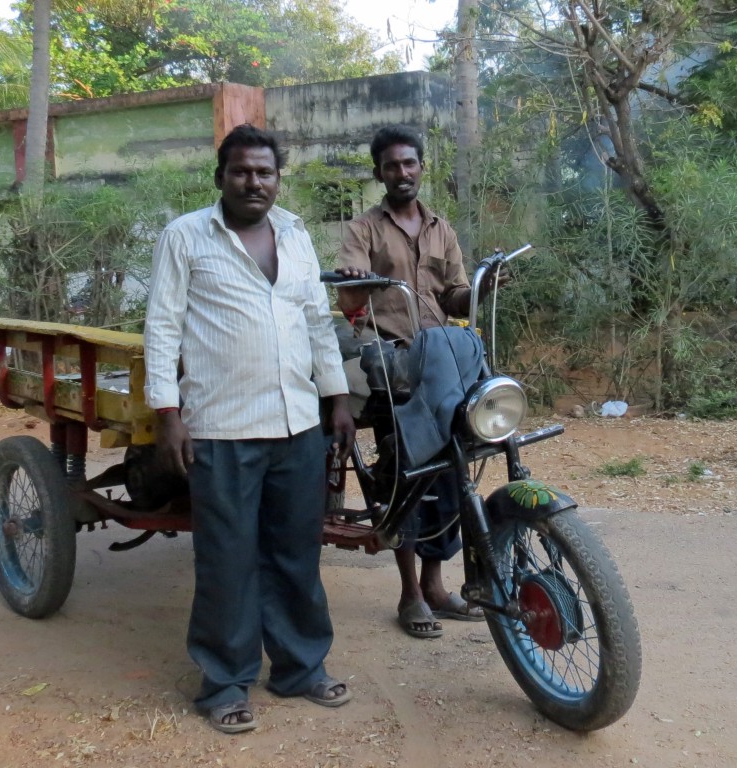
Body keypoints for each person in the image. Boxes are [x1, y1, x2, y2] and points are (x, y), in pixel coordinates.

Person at [143, 124, 356, 734]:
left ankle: (300, 668)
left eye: (264, 172)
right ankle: (225, 683)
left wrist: (337, 396)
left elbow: (317, 320)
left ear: (277, 178)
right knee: (228, 562)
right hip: (222, 426)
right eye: (241, 171)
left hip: (297, 423)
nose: (253, 182)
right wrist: (168, 415)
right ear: (221, 177)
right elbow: (162, 326)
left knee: (295, 555)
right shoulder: (187, 235)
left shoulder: (295, 234)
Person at [336, 124, 499, 639]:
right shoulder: (364, 229)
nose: (401, 172)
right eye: (391, 165)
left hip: (439, 358)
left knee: (451, 467)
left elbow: (455, 297)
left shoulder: (440, 228)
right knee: (405, 471)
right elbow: (349, 293)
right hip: (388, 357)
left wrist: (481, 288)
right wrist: (357, 282)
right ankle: (409, 594)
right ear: (380, 173)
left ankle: (435, 586)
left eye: (409, 163)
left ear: (421, 168)